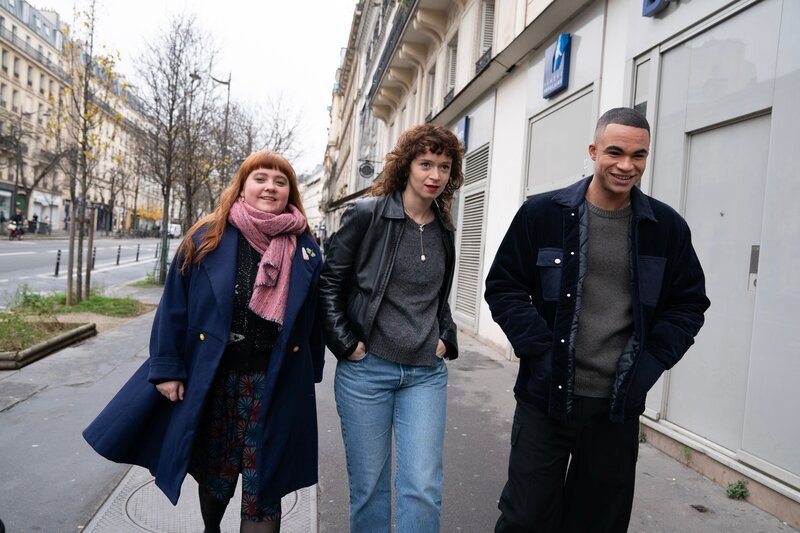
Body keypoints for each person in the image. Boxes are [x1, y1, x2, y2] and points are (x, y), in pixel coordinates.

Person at [484, 107, 710, 533]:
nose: (627, 165)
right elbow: (504, 287)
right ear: (593, 151)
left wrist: (650, 364)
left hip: (616, 409)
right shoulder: (542, 214)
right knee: (525, 520)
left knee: (598, 524)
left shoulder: (666, 227)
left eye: (639, 155)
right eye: (615, 152)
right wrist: (541, 352)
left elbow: (689, 304)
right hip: (545, 398)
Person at [84, 151, 325, 533]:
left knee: (265, 484)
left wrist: (310, 373)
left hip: (275, 383)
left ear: (289, 193)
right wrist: (167, 367)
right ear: (242, 187)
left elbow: (313, 320)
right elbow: (174, 306)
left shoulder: (306, 248)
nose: (270, 187)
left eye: (280, 182)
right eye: (261, 178)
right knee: (216, 474)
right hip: (215, 379)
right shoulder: (206, 237)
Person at [319, 124, 464, 533]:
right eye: (425, 164)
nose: (435, 175)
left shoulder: (444, 229)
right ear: (406, 166)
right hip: (367, 372)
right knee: (370, 489)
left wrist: (446, 336)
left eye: (444, 166)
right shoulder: (367, 215)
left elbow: (437, 296)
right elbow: (330, 283)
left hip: (425, 374)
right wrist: (346, 344)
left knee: (423, 488)